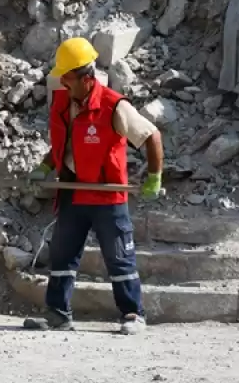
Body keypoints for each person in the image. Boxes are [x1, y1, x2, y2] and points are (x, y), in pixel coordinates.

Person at [24, 37, 163, 335]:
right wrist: (46, 166)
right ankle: (58, 313)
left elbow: (152, 136)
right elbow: (65, 142)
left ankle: (132, 314)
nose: (62, 82)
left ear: (87, 78)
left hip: (107, 194)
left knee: (118, 256)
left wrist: (154, 176)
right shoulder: (63, 101)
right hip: (73, 190)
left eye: (68, 77)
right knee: (62, 254)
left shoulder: (114, 105)